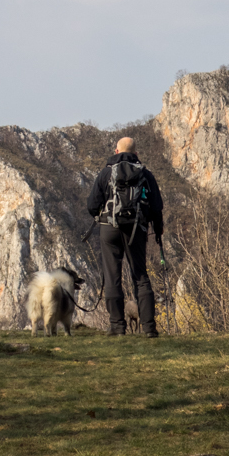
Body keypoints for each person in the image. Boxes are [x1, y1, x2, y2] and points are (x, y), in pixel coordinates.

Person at [86, 136, 164, 337]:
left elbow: (92, 205)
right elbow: (156, 206)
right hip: (137, 229)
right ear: (135, 153)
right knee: (141, 276)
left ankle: (117, 327)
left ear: (116, 151)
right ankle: (149, 329)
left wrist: (101, 214)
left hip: (109, 229)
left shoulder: (105, 173)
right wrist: (157, 228)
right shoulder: (145, 174)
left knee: (113, 277)